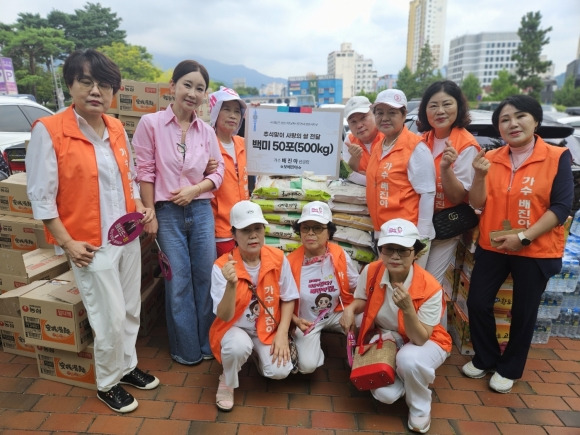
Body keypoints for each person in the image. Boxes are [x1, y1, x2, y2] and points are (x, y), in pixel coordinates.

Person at [25, 49, 159, 413]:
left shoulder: (115, 127)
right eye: (86, 81)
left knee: (131, 308)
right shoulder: (50, 131)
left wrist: (141, 208)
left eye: (104, 84)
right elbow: (41, 197)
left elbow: (127, 178)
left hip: (125, 236)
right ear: (71, 84)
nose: (96, 90)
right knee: (109, 316)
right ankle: (107, 382)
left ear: (113, 91)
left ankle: (127, 366)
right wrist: (67, 243)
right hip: (89, 244)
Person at [462, 95, 573, 393]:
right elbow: (477, 203)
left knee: (523, 312)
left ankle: (510, 367)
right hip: (493, 244)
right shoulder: (492, 157)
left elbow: (561, 207)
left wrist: (524, 237)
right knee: (478, 302)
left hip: (535, 248)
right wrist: (480, 175)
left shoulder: (556, 156)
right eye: (504, 120)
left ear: (535, 121)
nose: (512, 124)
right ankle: (486, 357)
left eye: (520, 116)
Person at [132, 60, 225, 366]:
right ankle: (186, 349)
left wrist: (195, 189)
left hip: (200, 211)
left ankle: (205, 343)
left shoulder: (206, 131)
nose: (193, 93)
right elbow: (144, 172)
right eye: (187, 85)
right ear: (172, 86)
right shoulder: (151, 124)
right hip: (167, 213)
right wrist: (151, 213)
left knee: (204, 278)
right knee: (179, 280)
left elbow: (218, 170)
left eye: (200, 88)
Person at [340, 218, 451, 434]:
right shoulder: (372, 271)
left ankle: (420, 407)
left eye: (403, 250)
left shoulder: (431, 288)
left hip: (425, 341)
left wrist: (408, 309)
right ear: (380, 250)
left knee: (408, 360)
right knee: (386, 395)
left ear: (416, 253)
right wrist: (350, 309)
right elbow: (362, 299)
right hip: (388, 335)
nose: (395, 256)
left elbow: (420, 338)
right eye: (388, 249)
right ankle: (407, 376)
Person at [209, 200, 299, 411]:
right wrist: (231, 285)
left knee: (280, 371)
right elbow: (223, 315)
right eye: (245, 230)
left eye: (257, 228)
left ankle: (259, 357)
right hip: (235, 328)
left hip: (267, 327)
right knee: (237, 347)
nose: (253, 235)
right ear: (233, 234)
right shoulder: (222, 266)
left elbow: (288, 298)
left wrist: (282, 334)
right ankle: (227, 381)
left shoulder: (277, 258)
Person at [417, 80, 481, 284]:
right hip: (419, 223)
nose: (440, 111)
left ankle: (431, 317)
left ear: (458, 107)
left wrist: (445, 168)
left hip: (444, 226)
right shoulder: (423, 139)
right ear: (425, 110)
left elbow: (457, 196)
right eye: (433, 105)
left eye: (447, 104)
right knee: (415, 282)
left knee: (430, 286)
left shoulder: (466, 144)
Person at [286, 201, 359, 374]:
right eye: (305, 228)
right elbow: (282, 300)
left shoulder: (339, 254)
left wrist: (350, 310)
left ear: (329, 232)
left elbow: (357, 286)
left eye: (318, 228)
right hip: (307, 321)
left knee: (366, 318)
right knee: (307, 366)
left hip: (337, 312)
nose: (311, 233)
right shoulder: (290, 262)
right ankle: (314, 345)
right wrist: (295, 321)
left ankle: (361, 353)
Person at [366, 89, 436, 268]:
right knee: (389, 288)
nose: (385, 118)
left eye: (392, 113)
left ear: (404, 115)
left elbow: (427, 193)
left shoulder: (415, 148)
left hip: (407, 236)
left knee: (405, 290)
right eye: (380, 113)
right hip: (384, 232)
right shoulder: (380, 145)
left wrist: (422, 238)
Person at [208, 86, 249, 257]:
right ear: (215, 112)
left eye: (237, 111)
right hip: (221, 232)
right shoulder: (207, 145)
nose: (233, 115)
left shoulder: (242, 143)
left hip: (246, 226)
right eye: (227, 110)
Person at [342, 96, 384, 185]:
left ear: (374, 114)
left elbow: (391, 178)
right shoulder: (349, 140)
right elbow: (349, 175)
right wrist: (355, 158)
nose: (359, 125)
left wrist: (366, 177)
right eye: (353, 122)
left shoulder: (387, 136)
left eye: (363, 118)